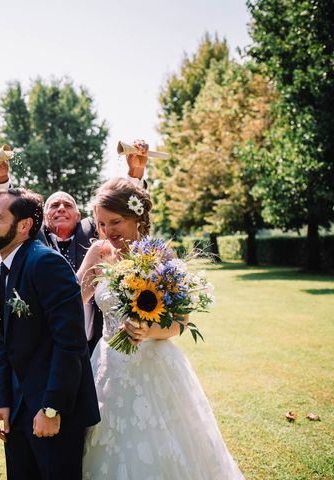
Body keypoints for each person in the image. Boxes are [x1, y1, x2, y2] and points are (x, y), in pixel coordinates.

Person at [77, 178, 244, 479]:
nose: (107, 231)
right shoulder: (101, 258)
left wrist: (147, 331)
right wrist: (90, 259)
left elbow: (181, 322)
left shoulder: (161, 258)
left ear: (137, 219)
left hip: (155, 365)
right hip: (107, 365)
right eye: (101, 224)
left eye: (115, 221)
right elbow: (74, 300)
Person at [0, 143, 148, 354]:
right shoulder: (31, 239)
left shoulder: (94, 233)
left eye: (68, 205)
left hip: (94, 344)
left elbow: (125, 218)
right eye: (54, 205)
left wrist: (135, 174)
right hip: (46, 346)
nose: (61, 208)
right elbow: (8, 219)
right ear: (41, 216)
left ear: (80, 217)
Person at [0, 187, 99, 479]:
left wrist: (51, 408)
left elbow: (70, 343)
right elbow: (1, 338)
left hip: (54, 410)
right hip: (18, 410)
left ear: (24, 226)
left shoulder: (47, 263)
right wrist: (3, 401)